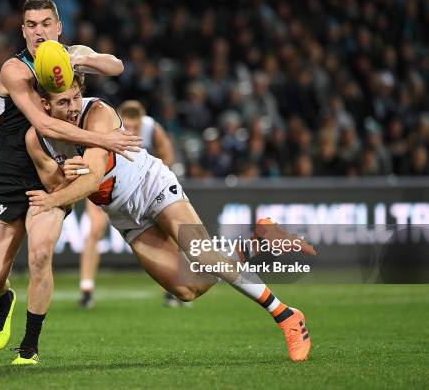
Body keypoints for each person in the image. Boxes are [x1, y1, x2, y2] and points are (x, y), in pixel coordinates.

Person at [26, 75, 316, 362]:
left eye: (76, 96)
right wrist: (64, 178)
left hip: (151, 185)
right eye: (64, 102)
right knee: (188, 289)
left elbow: (89, 182)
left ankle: (286, 315)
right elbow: (57, 185)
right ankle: (257, 242)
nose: (74, 106)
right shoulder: (36, 140)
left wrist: (54, 197)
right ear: (44, 105)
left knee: (202, 255)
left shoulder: (97, 113)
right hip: (126, 218)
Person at [0, 0, 139, 366]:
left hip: (54, 173)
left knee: (40, 254)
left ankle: (29, 347)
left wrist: (80, 59)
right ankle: (4, 300)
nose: (39, 31)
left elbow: (116, 67)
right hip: (10, 174)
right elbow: (45, 124)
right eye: (31, 25)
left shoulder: (69, 55)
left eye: (46, 23)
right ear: (23, 30)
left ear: (58, 27)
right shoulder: (14, 70)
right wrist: (105, 140)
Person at [78, 100, 177, 308]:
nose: (130, 129)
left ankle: (171, 290)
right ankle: (86, 288)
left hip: (139, 188)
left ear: (142, 121)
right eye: (127, 125)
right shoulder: (105, 124)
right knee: (94, 231)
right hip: (103, 185)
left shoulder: (152, 129)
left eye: (135, 125)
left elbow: (167, 155)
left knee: (167, 233)